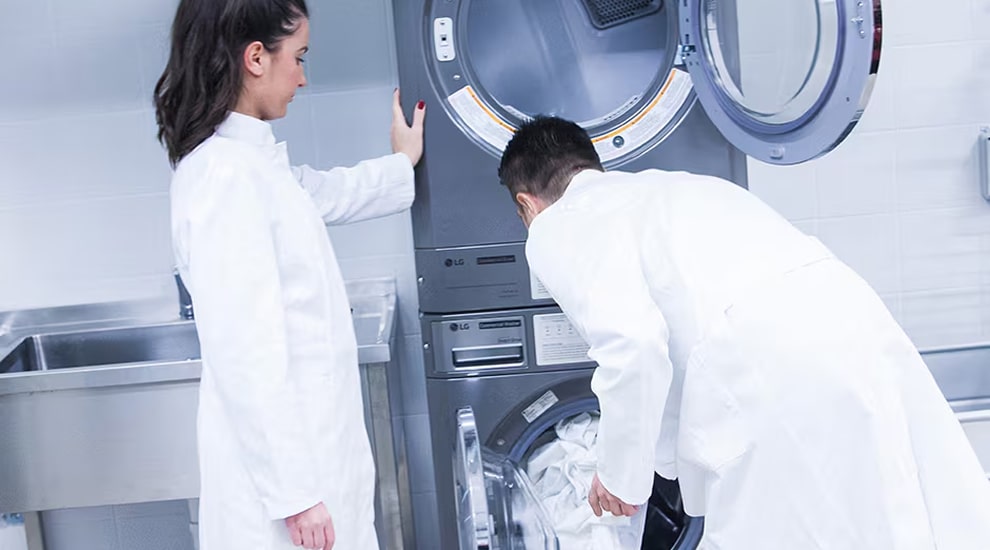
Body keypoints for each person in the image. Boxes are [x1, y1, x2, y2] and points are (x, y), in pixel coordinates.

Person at [498, 116, 990, 549]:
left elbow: (634, 346)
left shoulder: (557, 225)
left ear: (527, 205)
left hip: (767, 367)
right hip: (853, 320)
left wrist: (621, 474)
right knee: (889, 512)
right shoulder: (681, 188)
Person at [153, 1, 425, 549]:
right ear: (256, 57)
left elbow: (317, 193)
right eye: (298, 57)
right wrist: (294, 495)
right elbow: (245, 351)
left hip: (311, 460)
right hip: (284, 492)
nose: (302, 76)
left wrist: (401, 163)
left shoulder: (249, 164)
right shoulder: (223, 176)